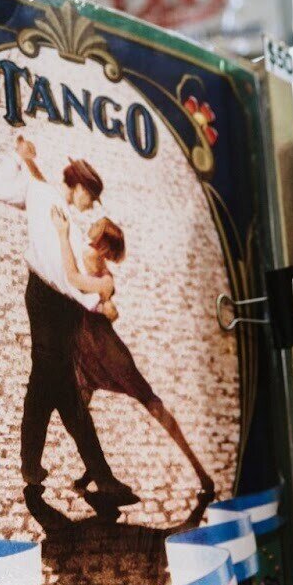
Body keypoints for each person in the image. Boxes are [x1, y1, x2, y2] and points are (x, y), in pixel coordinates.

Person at [0, 135, 136, 508]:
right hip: (54, 303)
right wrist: (98, 299)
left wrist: (18, 158)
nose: (92, 203)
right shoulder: (60, 214)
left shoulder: (42, 193)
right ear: (80, 187)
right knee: (59, 391)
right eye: (92, 195)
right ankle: (100, 478)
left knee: (48, 388)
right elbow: (68, 278)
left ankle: (36, 468)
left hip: (40, 296)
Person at [51, 211, 215, 496]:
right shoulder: (94, 263)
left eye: (96, 232)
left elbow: (72, 277)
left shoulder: (103, 279)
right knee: (77, 414)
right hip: (87, 350)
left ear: (103, 247)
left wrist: (62, 235)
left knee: (152, 403)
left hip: (107, 354)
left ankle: (203, 476)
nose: (91, 231)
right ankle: (94, 470)